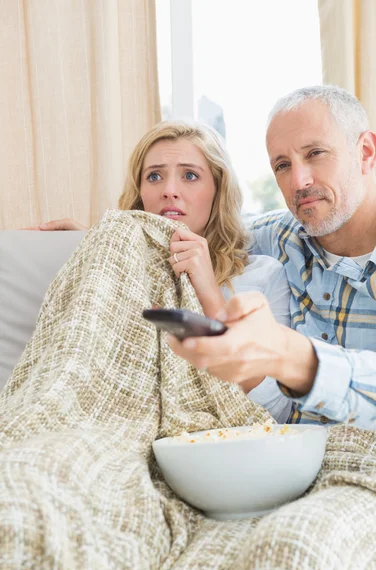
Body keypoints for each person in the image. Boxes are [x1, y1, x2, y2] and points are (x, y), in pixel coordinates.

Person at [26, 120, 292, 422]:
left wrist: (207, 292)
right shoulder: (115, 267)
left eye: (190, 175)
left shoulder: (263, 276)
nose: (169, 191)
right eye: (154, 176)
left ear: (218, 190)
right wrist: (100, 246)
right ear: (140, 193)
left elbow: (275, 410)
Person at [168, 85, 376, 432]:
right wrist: (108, 235)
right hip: (277, 463)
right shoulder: (275, 236)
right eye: (282, 165)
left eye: (316, 153)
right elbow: (209, 233)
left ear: (365, 152)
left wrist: (291, 356)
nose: (299, 181)